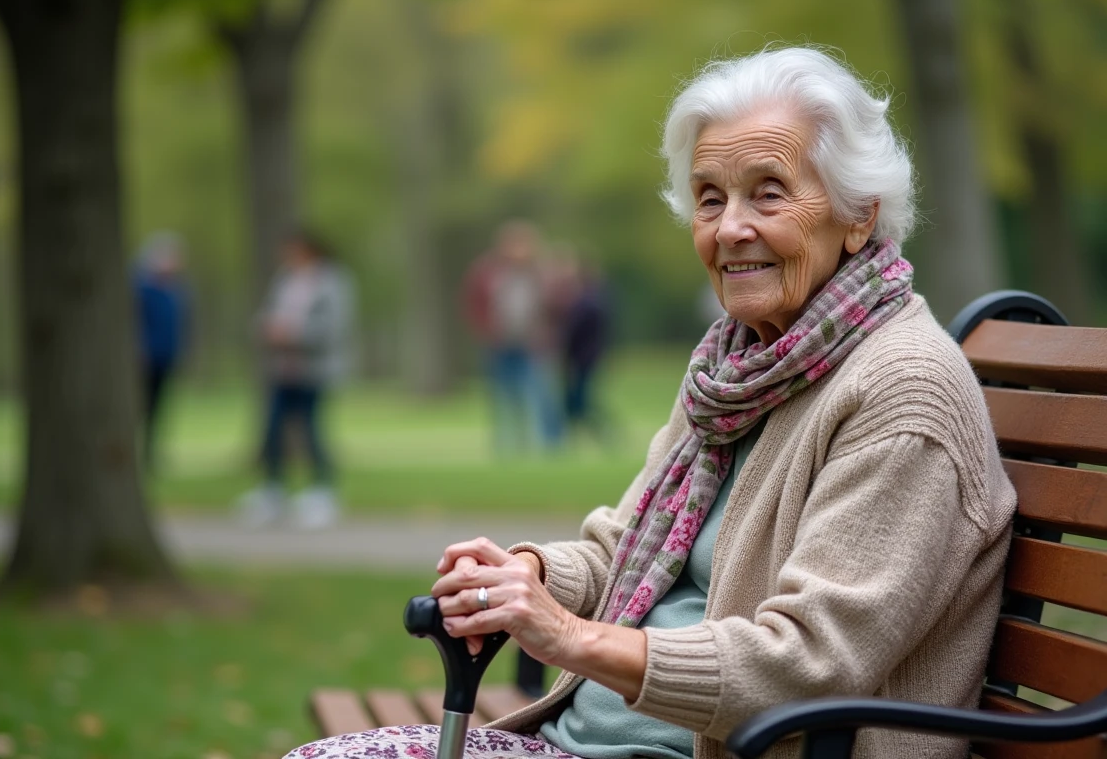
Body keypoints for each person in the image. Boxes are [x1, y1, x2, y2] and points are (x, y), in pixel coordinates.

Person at [284, 47, 1016, 759]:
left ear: (859, 215)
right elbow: (623, 548)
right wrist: (527, 580)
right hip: (582, 737)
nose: (730, 227)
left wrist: (569, 638)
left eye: (768, 191)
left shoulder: (903, 390)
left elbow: (810, 662)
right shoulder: (736, 366)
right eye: (709, 197)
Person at [241, 230, 355, 529]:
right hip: (282, 370)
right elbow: (266, 314)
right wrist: (267, 330)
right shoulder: (285, 280)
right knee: (273, 429)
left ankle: (322, 491)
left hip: (313, 370)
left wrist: (293, 335)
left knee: (312, 428)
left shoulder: (332, 282)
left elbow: (334, 327)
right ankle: (273, 490)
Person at [463, 221, 564, 453]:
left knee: (541, 395)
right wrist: (485, 331)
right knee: (503, 398)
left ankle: (550, 446)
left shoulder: (543, 273)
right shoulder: (487, 272)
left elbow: (558, 307)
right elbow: (474, 304)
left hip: (533, 347)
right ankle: (507, 447)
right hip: (499, 346)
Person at [134, 232, 191, 470]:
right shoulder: (141, 288)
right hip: (143, 359)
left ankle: (150, 454)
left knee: (157, 409)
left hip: (166, 357)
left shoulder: (176, 290)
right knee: (138, 406)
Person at [559, 256, 612, 445]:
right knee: (577, 400)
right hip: (584, 357)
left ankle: (604, 432)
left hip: (583, 358)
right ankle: (573, 436)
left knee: (580, 401)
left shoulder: (587, 304)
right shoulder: (593, 301)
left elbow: (575, 333)